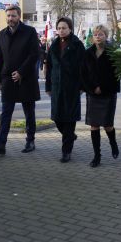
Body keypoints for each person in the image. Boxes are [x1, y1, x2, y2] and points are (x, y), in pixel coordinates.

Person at [0, 5, 39, 155]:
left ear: (19, 16)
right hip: (8, 79)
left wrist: (21, 72)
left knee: (29, 112)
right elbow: (0, 58)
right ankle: (0, 144)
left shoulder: (29, 32)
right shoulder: (2, 34)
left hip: (26, 78)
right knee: (5, 113)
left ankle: (30, 141)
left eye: (13, 16)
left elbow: (34, 54)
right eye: (8, 16)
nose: (10, 18)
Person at [45, 17, 85, 163]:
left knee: (69, 120)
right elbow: (49, 67)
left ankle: (66, 151)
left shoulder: (77, 45)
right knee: (57, 119)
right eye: (59, 28)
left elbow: (82, 67)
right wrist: (48, 86)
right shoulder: (54, 45)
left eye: (64, 28)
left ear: (70, 29)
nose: (61, 31)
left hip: (72, 87)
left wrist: (81, 86)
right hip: (56, 87)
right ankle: (70, 136)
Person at [80, 24, 120, 167]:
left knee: (108, 125)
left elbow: (115, 75)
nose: (98, 36)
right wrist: (91, 88)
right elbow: (83, 73)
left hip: (108, 93)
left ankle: (113, 144)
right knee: (94, 125)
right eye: (96, 34)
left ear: (106, 36)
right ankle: (97, 156)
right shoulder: (88, 52)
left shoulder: (112, 52)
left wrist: (102, 87)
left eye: (101, 34)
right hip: (92, 94)